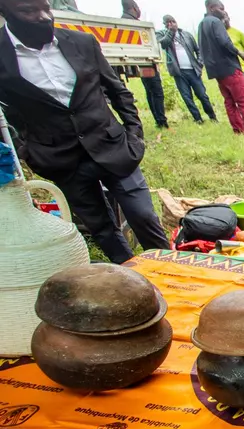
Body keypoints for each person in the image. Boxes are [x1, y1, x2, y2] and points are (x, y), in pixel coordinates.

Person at [0, 0, 169, 264]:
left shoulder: (81, 43)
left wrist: (134, 135)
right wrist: (27, 150)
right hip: (60, 157)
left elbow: (118, 91)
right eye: (28, 11)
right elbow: (7, 112)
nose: (43, 17)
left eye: (45, 7)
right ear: (5, 12)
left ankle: (171, 269)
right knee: (101, 228)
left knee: (143, 215)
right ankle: (131, 278)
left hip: (112, 146)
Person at [199, 0, 244, 135]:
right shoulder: (215, 22)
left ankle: (238, 129)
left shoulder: (202, 24)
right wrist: (240, 53)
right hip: (230, 68)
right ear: (212, 8)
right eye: (221, 8)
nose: (224, 11)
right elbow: (224, 42)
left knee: (229, 101)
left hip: (217, 71)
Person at [159, 15, 218, 124]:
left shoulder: (187, 35)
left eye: (173, 21)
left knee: (202, 95)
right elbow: (164, 44)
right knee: (187, 97)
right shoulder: (163, 34)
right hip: (179, 72)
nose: (171, 24)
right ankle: (198, 119)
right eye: (168, 22)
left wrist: (200, 63)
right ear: (165, 24)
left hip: (193, 70)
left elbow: (198, 50)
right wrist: (170, 32)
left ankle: (212, 117)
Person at [121, 0, 167, 129]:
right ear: (135, 8)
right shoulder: (136, 24)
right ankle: (161, 121)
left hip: (136, 63)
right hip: (145, 62)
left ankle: (159, 120)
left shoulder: (121, 22)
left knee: (150, 91)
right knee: (156, 92)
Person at [222, 11, 244, 109]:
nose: (224, 20)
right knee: (238, 101)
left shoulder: (237, 33)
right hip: (229, 71)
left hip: (243, 70)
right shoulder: (220, 34)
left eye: (225, 17)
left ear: (228, 18)